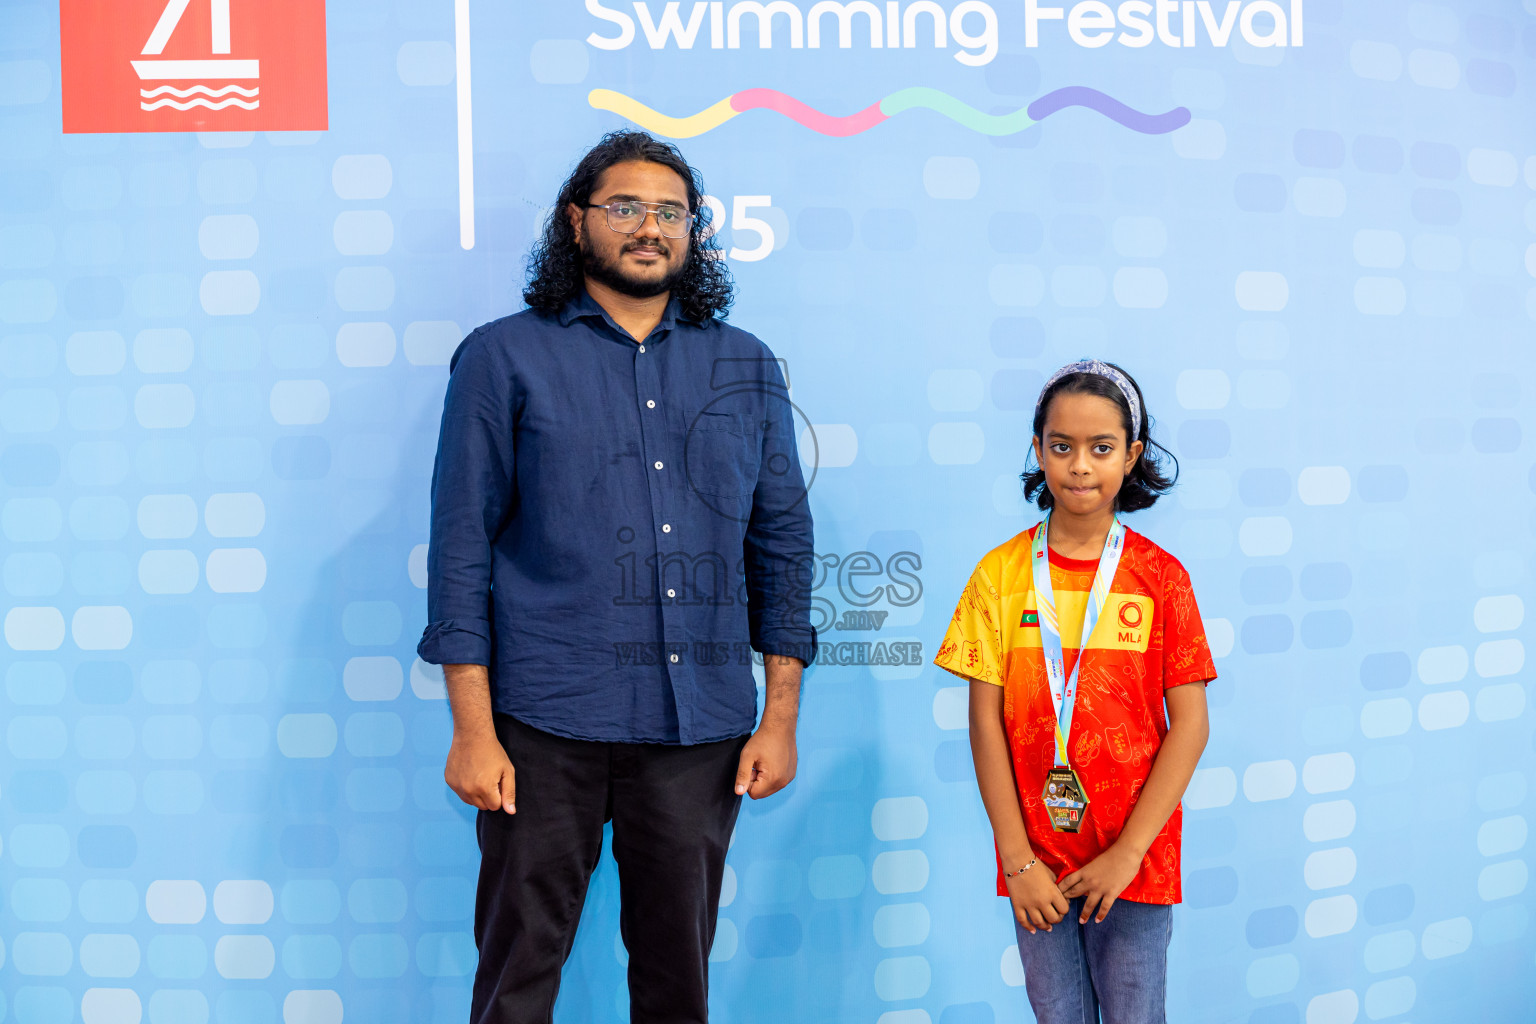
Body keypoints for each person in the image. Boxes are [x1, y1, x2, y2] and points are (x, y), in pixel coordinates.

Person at [418, 130, 816, 1024]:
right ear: (576, 222)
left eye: (670, 212)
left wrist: (780, 718)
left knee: (678, 987)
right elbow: (460, 551)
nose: (649, 228)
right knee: (517, 979)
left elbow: (782, 543)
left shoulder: (744, 363)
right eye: (625, 207)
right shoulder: (502, 357)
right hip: (541, 724)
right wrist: (473, 732)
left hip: (701, 728)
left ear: (693, 232)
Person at [934, 360, 1215, 1024]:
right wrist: (1017, 861)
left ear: (1132, 455)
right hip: (1038, 869)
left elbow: (1192, 725)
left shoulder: (1161, 579)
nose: (1080, 465)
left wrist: (1126, 855)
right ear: (1038, 450)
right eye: (1062, 446)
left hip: (1134, 869)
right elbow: (985, 726)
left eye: (1101, 448)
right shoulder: (999, 576)